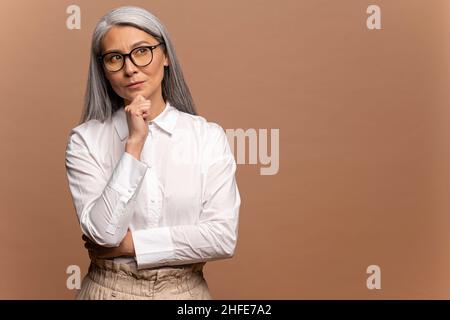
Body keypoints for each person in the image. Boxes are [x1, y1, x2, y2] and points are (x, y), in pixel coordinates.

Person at [64, 5, 241, 300]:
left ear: (166, 55)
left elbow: (222, 238)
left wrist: (131, 246)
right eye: (114, 58)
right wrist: (134, 143)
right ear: (104, 70)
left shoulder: (207, 136)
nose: (130, 68)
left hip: (186, 293)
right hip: (109, 291)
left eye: (142, 51)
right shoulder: (85, 140)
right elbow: (105, 234)